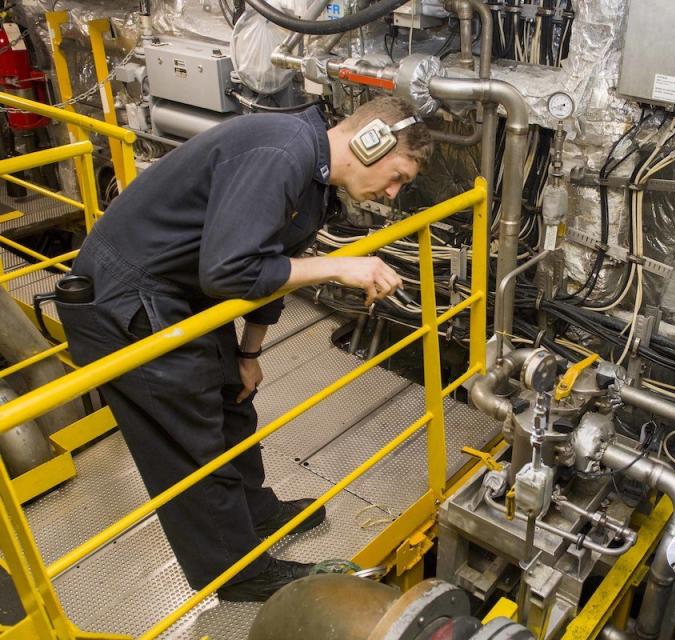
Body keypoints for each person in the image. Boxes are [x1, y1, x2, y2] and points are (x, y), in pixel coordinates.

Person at [58, 96, 433, 602]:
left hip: (181, 291)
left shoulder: (315, 182)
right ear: (372, 141)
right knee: (192, 439)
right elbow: (230, 270)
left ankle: (254, 512)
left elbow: (274, 263)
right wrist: (341, 266)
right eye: (399, 177)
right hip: (126, 297)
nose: (391, 193)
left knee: (232, 397)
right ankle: (236, 573)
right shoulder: (282, 153)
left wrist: (249, 354)